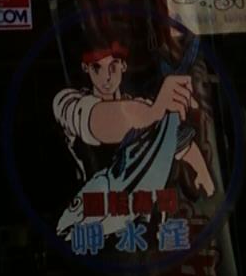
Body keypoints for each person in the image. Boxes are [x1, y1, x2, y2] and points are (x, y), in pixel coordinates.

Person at [54, 40, 215, 240]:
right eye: (97, 68)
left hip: (147, 233)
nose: (107, 77)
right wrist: (155, 111)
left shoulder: (143, 106)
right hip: (101, 240)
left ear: (123, 66)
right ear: (85, 68)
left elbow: (177, 142)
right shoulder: (67, 103)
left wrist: (202, 172)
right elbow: (100, 119)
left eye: (113, 66)